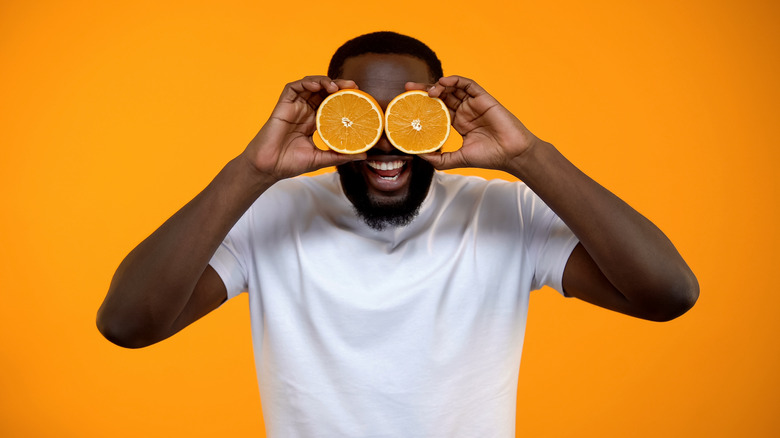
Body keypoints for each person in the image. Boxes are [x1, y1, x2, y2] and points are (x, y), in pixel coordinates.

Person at [97, 31, 699, 437]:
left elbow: (669, 294)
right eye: (364, 117)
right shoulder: (271, 212)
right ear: (330, 118)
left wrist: (527, 155)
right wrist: (250, 172)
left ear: (436, 119)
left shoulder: (506, 211)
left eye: (406, 119)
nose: (385, 141)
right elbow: (127, 324)